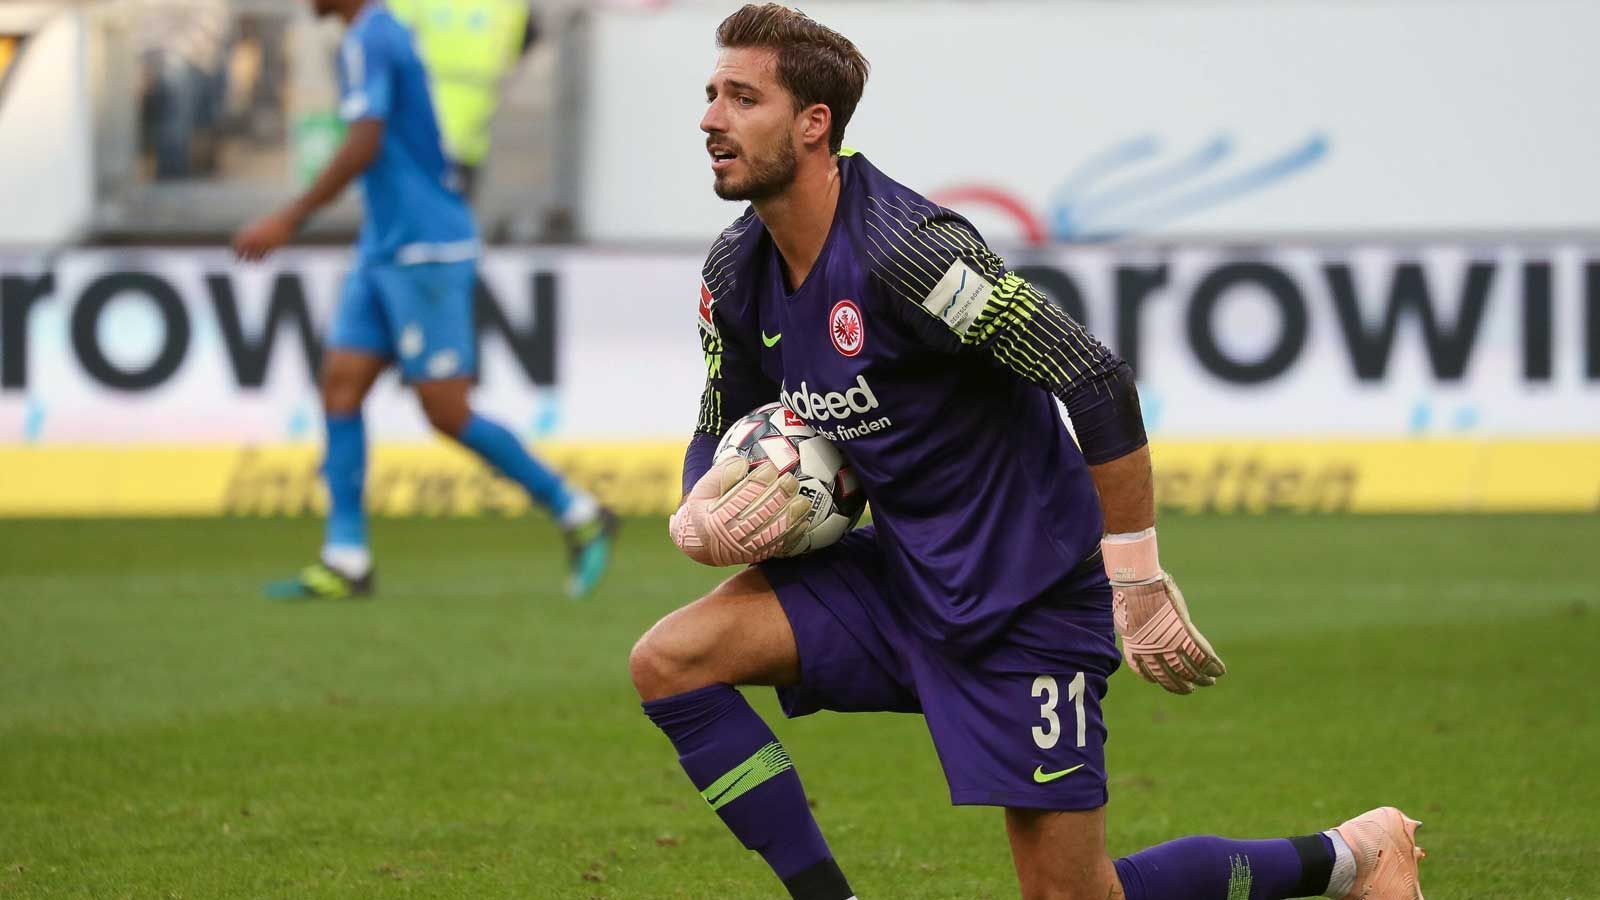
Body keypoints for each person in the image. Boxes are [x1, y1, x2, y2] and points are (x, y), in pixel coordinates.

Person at [627, 5, 1425, 900]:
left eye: (742, 97)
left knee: (1072, 896)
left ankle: (1355, 855)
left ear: (814, 124)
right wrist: (702, 506)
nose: (710, 119)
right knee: (670, 661)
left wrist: (1137, 579)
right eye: (711, 95)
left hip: (1024, 598)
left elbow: (1093, 376)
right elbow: (721, 416)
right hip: (893, 576)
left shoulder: (908, 254)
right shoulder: (736, 271)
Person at [232, 0, 615, 600]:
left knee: (446, 410)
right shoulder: (368, 35)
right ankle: (346, 557)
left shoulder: (372, 38)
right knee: (340, 384)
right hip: (384, 246)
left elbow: (364, 142)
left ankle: (577, 510)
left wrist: (288, 219)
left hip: (425, 249)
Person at [388, 0, 536, 200]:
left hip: (424, 130)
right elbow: (528, 37)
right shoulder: (508, 6)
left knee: (421, 214)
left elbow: (383, 31)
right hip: (469, 131)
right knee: (455, 215)